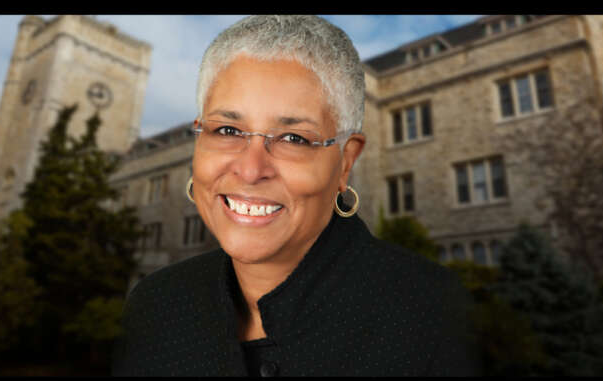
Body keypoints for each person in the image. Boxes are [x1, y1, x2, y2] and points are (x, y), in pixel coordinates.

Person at [112, 15, 477, 376]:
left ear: (345, 161)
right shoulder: (155, 304)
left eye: (294, 139)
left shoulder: (431, 314)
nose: (251, 170)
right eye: (227, 129)